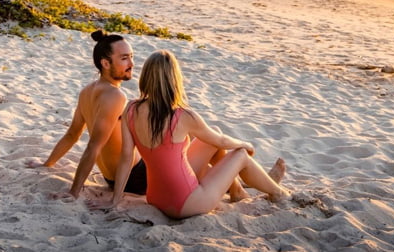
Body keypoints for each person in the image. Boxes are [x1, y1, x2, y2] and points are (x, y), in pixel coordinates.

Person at [97, 50, 289, 219]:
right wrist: (245, 144)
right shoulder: (183, 116)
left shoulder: (130, 108)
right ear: (174, 81)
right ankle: (278, 193)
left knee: (213, 135)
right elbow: (222, 142)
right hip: (186, 203)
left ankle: (237, 191)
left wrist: (116, 199)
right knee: (239, 155)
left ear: (145, 77)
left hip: (155, 197)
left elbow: (126, 158)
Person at [26, 30, 148, 198]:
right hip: (136, 177)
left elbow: (72, 134)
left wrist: (48, 163)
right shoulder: (115, 96)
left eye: (131, 56)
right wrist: (74, 192)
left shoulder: (86, 91)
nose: (132, 63)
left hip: (113, 178)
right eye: (124, 58)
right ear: (105, 64)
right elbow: (93, 146)